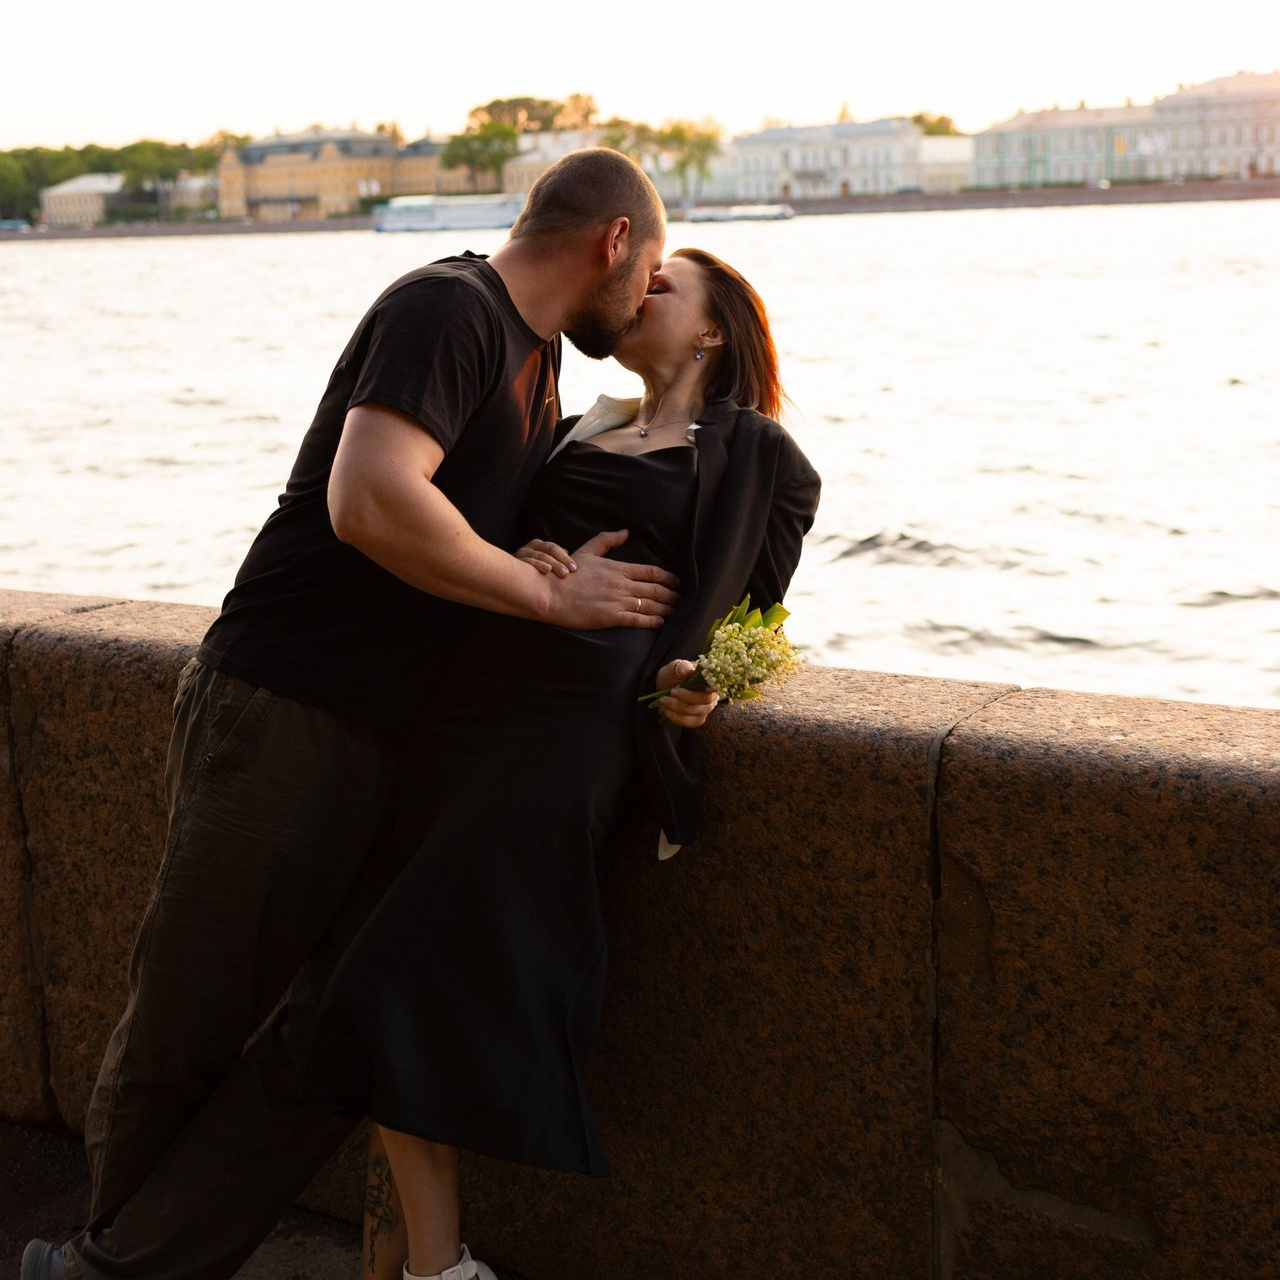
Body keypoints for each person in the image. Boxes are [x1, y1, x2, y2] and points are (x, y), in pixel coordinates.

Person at [22, 147, 679, 1280]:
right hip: (280, 708)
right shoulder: (450, 305)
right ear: (614, 240)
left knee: (341, 1034)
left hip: (382, 740)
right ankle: (109, 1261)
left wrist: (519, 556)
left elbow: (441, 522)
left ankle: (111, 1267)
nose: (646, 295)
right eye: (653, 265)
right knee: (186, 1022)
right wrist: (542, 593)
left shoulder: (536, 372)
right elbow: (370, 495)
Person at [307, 247, 822, 1280]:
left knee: (393, 972)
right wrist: (528, 558)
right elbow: (489, 541)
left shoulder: (758, 452)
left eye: (664, 287)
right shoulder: (571, 421)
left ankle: (440, 1269)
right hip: (469, 716)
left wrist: (708, 677)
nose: (639, 293)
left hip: (574, 733)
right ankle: (410, 1270)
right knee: (400, 981)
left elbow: (760, 619)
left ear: (714, 330)